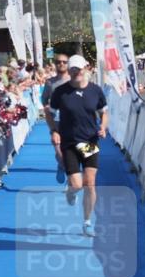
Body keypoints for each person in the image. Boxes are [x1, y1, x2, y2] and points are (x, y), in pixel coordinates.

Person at [45, 55, 108, 237]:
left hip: (89, 142)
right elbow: (49, 113)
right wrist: (54, 130)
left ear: (85, 69)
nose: (76, 73)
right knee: (77, 185)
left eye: (78, 69)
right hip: (70, 143)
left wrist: (103, 127)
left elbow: (104, 112)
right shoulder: (61, 92)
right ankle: (71, 191)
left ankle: (87, 222)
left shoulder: (95, 90)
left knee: (90, 184)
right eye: (72, 70)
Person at [42, 53, 71, 183]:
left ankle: (70, 180)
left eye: (64, 62)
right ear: (55, 64)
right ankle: (61, 165)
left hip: (72, 122)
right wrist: (48, 108)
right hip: (56, 122)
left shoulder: (73, 80)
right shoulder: (50, 82)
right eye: (59, 62)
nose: (61, 64)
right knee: (60, 152)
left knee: (70, 153)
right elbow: (44, 100)